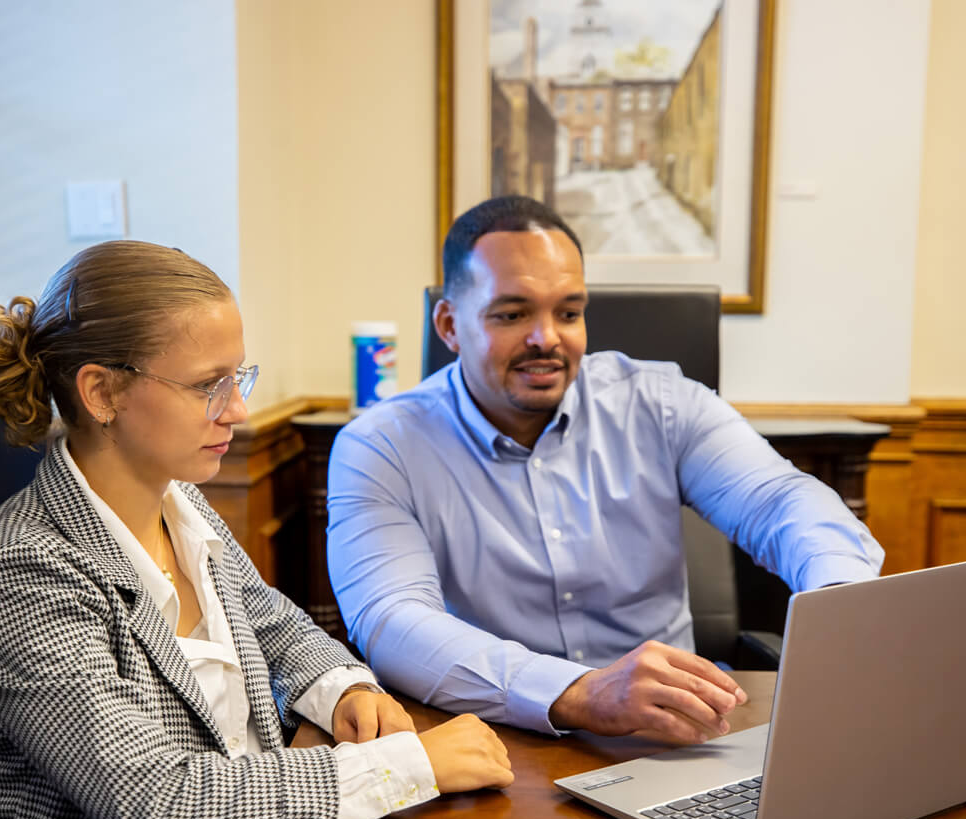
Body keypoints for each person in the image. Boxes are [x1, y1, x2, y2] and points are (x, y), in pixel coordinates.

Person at [0, 240, 512, 819]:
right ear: (102, 391)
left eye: (237, 378)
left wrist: (343, 690)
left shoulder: (178, 501)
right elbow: (164, 808)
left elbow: (273, 622)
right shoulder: (21, 577)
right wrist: (405, 769)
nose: (237, 411)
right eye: (209, 385)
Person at [326, 196, 884, 746]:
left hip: (676, 733)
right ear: (449, 324)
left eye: (568, 312)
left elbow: (781, 500)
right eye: (513, 313)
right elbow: (392, 620)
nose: (547, 338)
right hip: (494, 742)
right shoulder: (381, 447)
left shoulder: (662, 403)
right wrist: (580, 693)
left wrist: (838, 600)